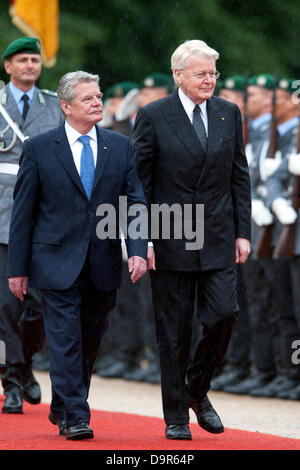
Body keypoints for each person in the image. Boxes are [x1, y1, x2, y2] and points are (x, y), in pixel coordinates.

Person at [7, 71, 148, 440]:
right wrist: (17, 269)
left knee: (89, 340)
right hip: (54, 263)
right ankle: (74, 414)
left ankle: (64, 404)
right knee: (65, 338)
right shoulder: (39, 147)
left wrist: (136, 250)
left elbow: (135, 203)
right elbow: (23, 214)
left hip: (101, 263)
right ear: (66, 107)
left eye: (99, 96)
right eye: (88, 99)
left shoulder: (120, 146)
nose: (97, 103)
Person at [134, 40, 251, 440]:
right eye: (201, 73)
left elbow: (239, 174)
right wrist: (140, 240)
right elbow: (139, 184)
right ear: (178, 75)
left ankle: (196, 389)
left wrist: (242, 232)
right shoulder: (153, 115)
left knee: (223, 315)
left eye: (213, 73)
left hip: (218, 234)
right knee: (174, 331)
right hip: (170, 235)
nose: (209, 80)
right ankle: (176, 417)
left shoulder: (228, 113)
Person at [0, 37, 63, 414]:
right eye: (22, 60)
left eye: (34, 60)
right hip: (2, 219)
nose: (29, 66)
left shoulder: (54, 106)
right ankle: (11, 379)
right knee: (6, 305)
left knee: (38, 306)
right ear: (7, 66)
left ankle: (26, 364)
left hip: (42, 219)